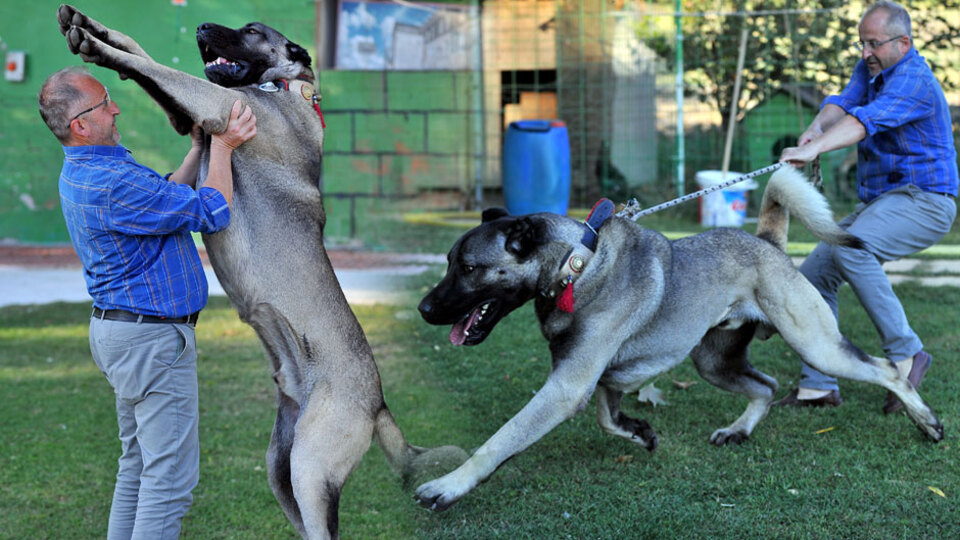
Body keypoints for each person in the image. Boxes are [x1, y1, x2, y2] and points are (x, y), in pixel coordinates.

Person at [38, 66, 257, 539]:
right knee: (169, 482)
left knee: (138, 469)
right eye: (103, 104)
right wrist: (224, 145)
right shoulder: (110, 181)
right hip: (150, 341)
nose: (115, 109)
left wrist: (199, 149)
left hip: (124, 334)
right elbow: (211, 211)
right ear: (80, 124)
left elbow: (163, 199)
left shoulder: (94, 170)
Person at [775, 1, 958, 411]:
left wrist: (818, 148)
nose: (864, 53)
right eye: (862, 44)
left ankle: (907, 353)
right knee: (814, 276)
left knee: (850, 247)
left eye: (873, 44)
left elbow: (866, 121)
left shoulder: (914, 80)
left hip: (925, 202)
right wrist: (814, 130)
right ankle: (818, 386)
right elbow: (843, 102)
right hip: (884, 202)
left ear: (903, 42)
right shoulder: (872, 68)